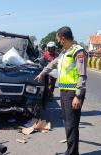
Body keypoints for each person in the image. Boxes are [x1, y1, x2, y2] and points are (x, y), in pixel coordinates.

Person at [35, 26, 87, 155]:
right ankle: (70, 151)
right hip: (64, 92)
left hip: (73, 93)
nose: (58, 41)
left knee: (72, 124)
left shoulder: (78, 52)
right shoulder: (64, 52)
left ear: (63, 38)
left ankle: (72, 153)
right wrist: (42, 73)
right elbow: (52, 64)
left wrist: (78, 96)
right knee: (67, 123)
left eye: (58, 38)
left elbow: (82, 75)